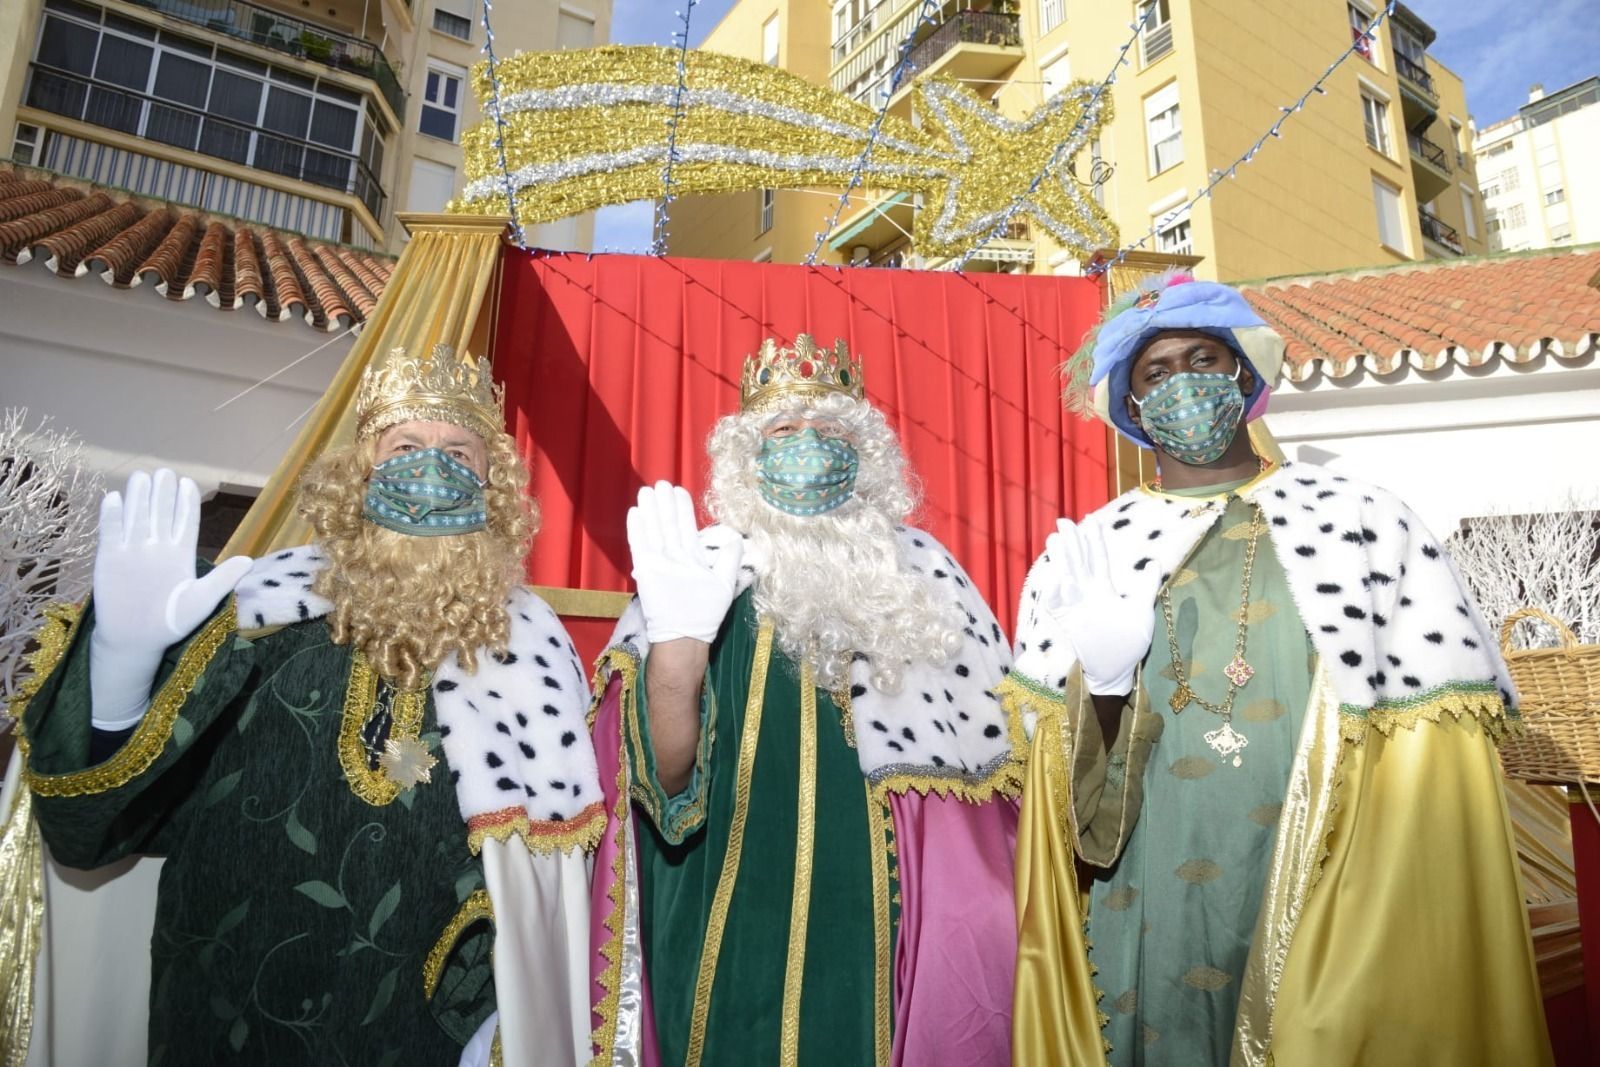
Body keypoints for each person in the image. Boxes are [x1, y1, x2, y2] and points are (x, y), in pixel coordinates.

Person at [1002, 274, 1551, 1065]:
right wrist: (1109, 683)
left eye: (1204, 358)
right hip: (1149, 886)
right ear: (1130, 402)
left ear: (1245, 374)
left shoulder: (1361, 522)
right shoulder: (1096, 546)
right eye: (1156, 373)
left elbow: (1432, 771)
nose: (1183, 382)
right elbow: (1061, 813)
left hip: (1328, 871)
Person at [13, 345, 601, 1065]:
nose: (431, 468)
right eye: (405, 446)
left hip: (422, 1036)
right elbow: (88, 830)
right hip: (221, 1018)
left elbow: (549, 897)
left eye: (458, 451)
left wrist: (509, 1022)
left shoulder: (534, 658)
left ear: (493, 485)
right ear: (359, 472)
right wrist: (122, 664)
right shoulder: (259, 608)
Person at [587, 336, 1022, 1066]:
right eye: (783, 432)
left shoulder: (927, 580)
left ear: (870, 457)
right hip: (716, 925)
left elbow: (990, 808)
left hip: (885, 943)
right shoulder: (698, 572)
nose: (809, 450)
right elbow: (659, 786)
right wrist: (678, 650)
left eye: (832, 433)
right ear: (744, 459)